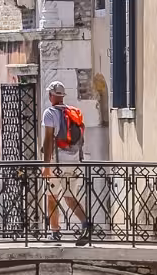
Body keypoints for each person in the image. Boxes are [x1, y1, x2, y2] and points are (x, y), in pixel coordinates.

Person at [40, 81, 93, 245]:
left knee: (51, 197)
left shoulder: (49, 113)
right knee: (70, 198)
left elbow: (48, 140)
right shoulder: (73, 112)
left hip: (57, 163)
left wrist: (46, 166)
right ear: (62, 96)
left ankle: (55, 232)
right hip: (74, 162)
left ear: (51, 95)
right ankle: (86, 226)